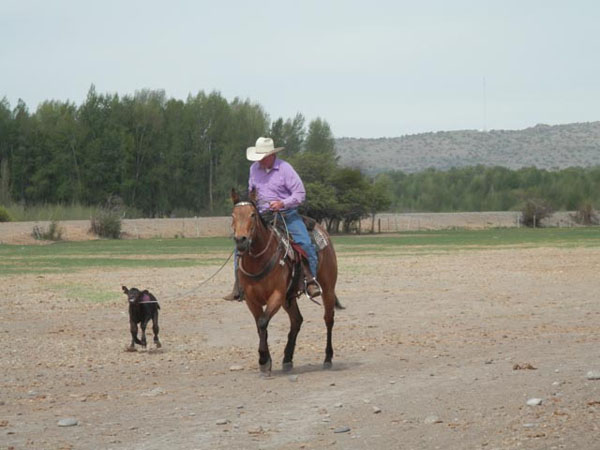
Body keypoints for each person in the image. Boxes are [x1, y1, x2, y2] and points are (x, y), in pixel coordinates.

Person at [224, 137, 321, 301]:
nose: (259, 160)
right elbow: (252, 192)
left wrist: (282, 203)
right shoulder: (254, 169)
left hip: (286, 215)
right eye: (258, 157)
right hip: (262, 216)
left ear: (271, 155)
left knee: (304, 243)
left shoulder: (285, 169)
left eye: (262, 157)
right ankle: (239, 285)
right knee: (241, 245)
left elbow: (300, 194)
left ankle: (310, 281)